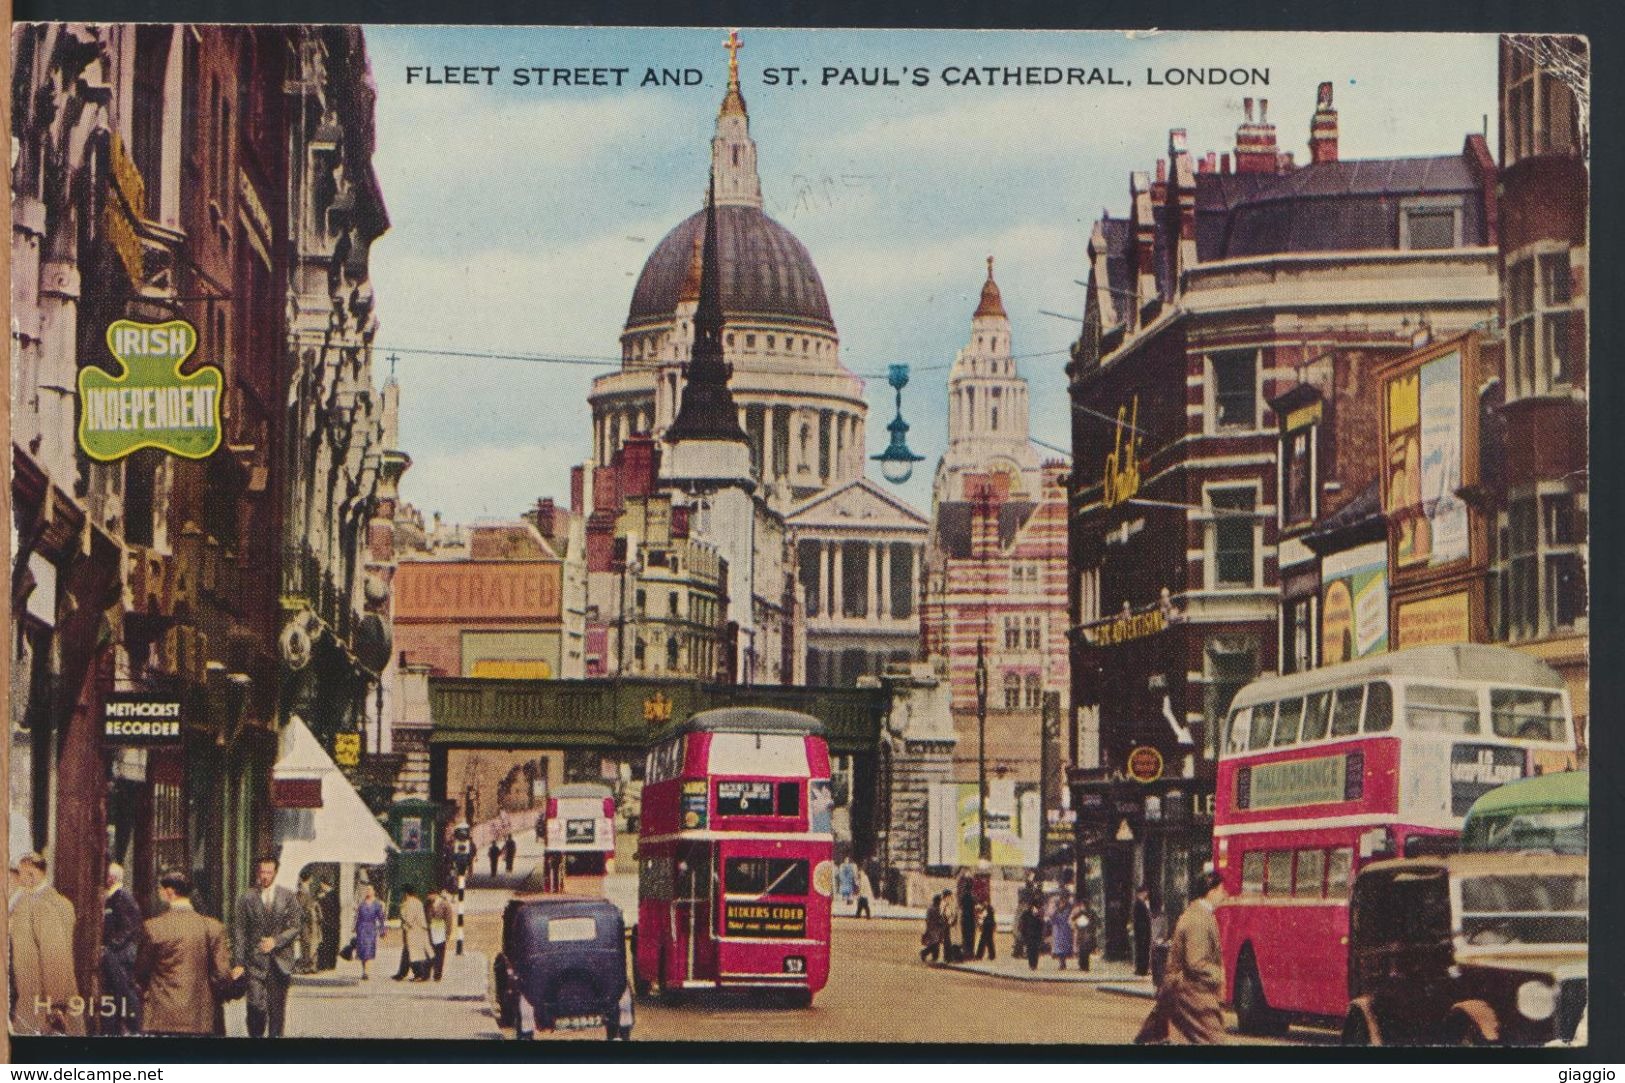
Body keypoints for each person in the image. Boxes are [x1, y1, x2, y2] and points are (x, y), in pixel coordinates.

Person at [1135, 871, 1230, 1045]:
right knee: (1214, 1040)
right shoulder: (1198, 919)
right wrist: (1220, 975)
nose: (1224, 895)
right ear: (1211, 891)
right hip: (1189, 991)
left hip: (1179, 990)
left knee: (1151, 1037)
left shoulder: (1200, 914)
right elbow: (1196, 962)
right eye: (1221, 890)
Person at [137, 871, 235, 1036]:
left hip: (161, 1017)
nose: (159, 893)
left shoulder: (153, 927)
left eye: (160, 889)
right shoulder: (213, 927)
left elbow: (141, 972)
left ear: (170, 892)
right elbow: (223, 975)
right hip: (200, 1019)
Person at [9, 852, 84, 1035]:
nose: (16, 881)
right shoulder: (62, 902)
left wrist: (56, 1004)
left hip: (39, 1003)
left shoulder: (35, 906)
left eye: (18, 874)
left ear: (31, 875)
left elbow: (54, 956)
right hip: (52, 998)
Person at [233, 855, 301, 1039]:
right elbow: (239, 931)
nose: (265, 876)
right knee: (255, 1007)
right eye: (262, 872)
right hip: (254, 962)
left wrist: (276, 941)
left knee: (277, 1012)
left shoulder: (287, 897)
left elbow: (295, 926)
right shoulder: (246, 898)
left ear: (275, 873)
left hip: (280, 963)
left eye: (269, 872)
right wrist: (238, 962)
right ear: (257, 872)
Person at [102, 862, 145, 1034]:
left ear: (111, 878)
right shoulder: (115, 897)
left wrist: (112, 945)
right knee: (119, 991)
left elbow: (130, 927)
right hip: (118, 952)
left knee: (125, 991)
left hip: (120, 954)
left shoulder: (122, 897)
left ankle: (134, 1026)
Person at [393, 884, 432, 981]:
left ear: (406, 894)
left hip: (414, 932)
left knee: (413, 953)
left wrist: (404, 926)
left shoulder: (410, 903)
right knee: (407, 952)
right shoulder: (417, 902)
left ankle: (419, 974)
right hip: (417, 931)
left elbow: (409, 920)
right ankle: (402, 972)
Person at [352, 883, 386, 980]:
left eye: (370, 890)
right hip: (361, 929)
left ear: (374, 891)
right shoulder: (361, 904)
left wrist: (382, 930)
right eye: (367, 890)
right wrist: (355, 927)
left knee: (368, 950)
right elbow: (357, 917)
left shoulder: (377, 904)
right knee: (362, 951)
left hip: (371, 929)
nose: (368, 891)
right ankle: (364, 971)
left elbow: (381, 918)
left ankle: (366, 972)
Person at [296, 873, 323, 974]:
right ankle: (309, 966)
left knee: (308, 943)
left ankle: (310, 965)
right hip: (308, 920)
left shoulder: (304, 890)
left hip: (309, 920)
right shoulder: (303, 891)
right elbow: (302, 907)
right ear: (310, 878)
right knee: (308, 943)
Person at [429, 884, 456, 980]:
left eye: (430, 895)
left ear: (435, 894)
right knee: (433, 952)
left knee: (440, 953)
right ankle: (433, 971)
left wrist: (448, 934)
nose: (429, 898)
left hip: (441, 931)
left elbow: (449, 920)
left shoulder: (444, 904)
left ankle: (438, 973)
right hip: (433, 931)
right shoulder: (430, 904)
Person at [1048, 888, 1075, 970]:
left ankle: (1063, 963)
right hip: (1058, 928)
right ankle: (1062, 963)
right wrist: (1056, 909)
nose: (1064, 899)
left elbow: (1072, 915)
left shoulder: (1069, 906)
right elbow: (1051, 915)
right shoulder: (1056, 905)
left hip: (1066, 928)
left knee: (1065, 945)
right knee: (1059, 946)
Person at [1133, 885, 1154, 977]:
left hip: (1142, 931)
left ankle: (1141, 969)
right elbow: (1141, 919)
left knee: (1142, 950)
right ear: (1142, 893)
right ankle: (1142, 969)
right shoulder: (1139, 903)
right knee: (1142, 950)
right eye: (1145, 892)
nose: (1147, 894)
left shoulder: (1141, 903)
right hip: (1142, 931)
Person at [1018, 901, 1045, 971]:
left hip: (1036, 935)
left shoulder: (1037, 914)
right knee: (1030, 951)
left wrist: (1041, 934)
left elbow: (1041, 924)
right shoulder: (1025, 914)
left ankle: (1034, 965)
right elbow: (1022, 924)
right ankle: (1031, 965)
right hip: (1028, 935)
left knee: (1035, 950)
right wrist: (1023, 934)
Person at [1073, 898, 1099, 972]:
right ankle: (1083, 966)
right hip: (1084, 933)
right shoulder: (1087, 912)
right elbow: (1074, 919)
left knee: (1084, 950)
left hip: (1085, 933)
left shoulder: (1087, 912)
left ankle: (1084, 966)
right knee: (1083, 950)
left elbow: (1074, 919)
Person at [956, 871, 977, 959]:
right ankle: (969, 953)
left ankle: (967, 952)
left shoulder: (964, 895)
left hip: (965, 917)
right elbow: (975, 903)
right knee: (970, 936)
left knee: (966, 935)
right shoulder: (971, 895)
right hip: (970, 918)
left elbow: (960, 904)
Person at [919, 892, 945, 963]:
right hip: (935, 927)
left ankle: (934, 957)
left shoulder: (932, 908)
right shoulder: (935, 909)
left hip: (934, 927)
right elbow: (938, 918)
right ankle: (924, 953)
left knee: (936, 942)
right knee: (935, 943)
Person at [940, 887, 961, 963]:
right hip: (946, 925)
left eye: (947, 896)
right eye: (945, 897)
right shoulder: (944, 903)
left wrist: (949, 922)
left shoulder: (953, 904)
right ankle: (947, 958)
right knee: (946, 942)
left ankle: (954, 958)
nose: (946, 898)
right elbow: (942, 914)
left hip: (951, 926)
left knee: (952, 942)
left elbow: (954, 915)